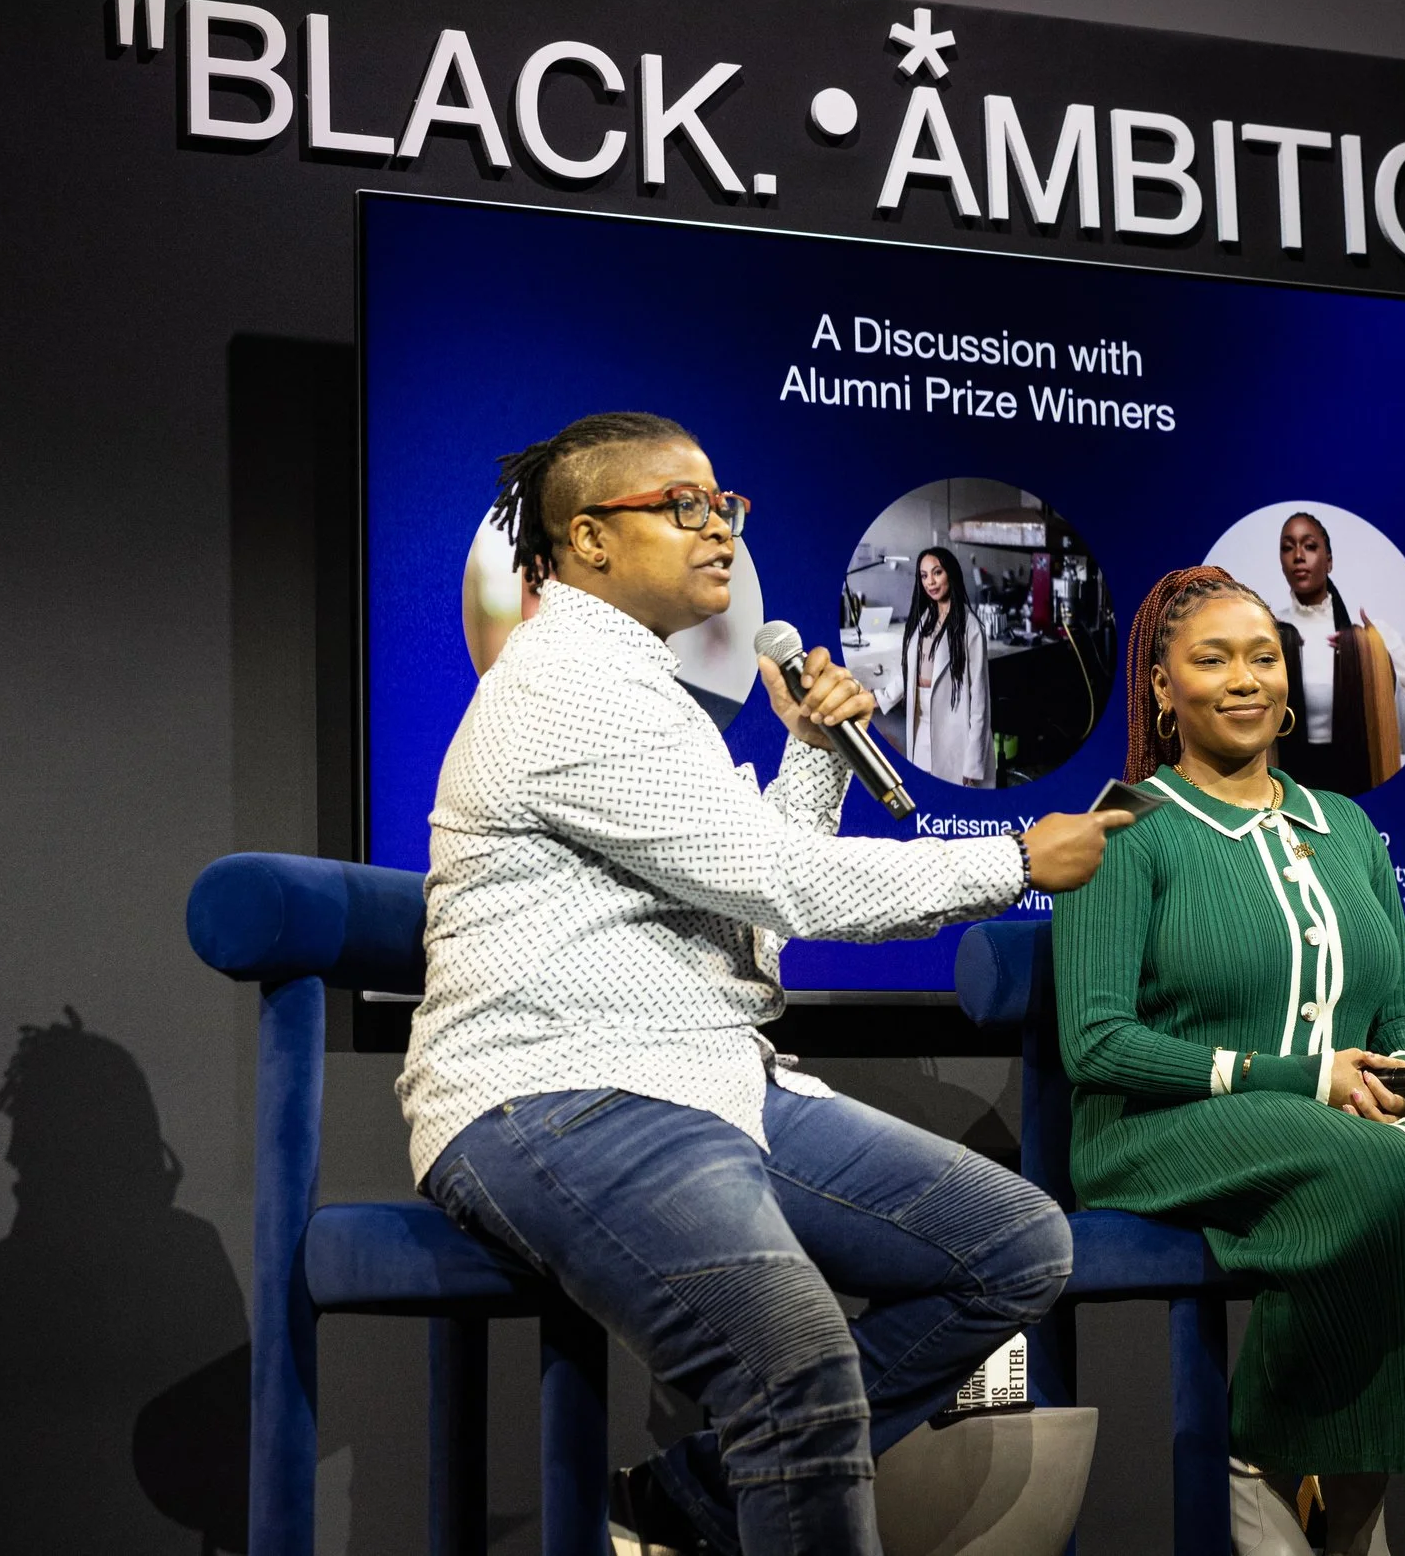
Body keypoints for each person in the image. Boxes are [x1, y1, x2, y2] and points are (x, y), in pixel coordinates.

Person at [396, 411, 1132, 1556]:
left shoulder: (649, 690)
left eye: (723, 503)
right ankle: (730, 1496)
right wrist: (1013, 862)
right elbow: (783, 884)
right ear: (587, 539)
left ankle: (683, 1506)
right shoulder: (566, 690)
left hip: (709, 1078)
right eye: (680, 505)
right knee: (795, 1357)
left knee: (1013, 1247)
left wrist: (812, 752)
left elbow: (750, 917)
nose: (719, 529)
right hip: (556, 1092)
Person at [1053, 566, 1405, 1555]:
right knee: (1375, 1175)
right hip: (1157, 1131)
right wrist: (1301, 1077)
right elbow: (1097, 1044)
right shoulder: (1125, 827)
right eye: (1211, 660)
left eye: (1264, 657)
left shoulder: (1348, 827)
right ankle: (1272, 1454)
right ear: (1161, 689)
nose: (1245, 679)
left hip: (1335, 1120)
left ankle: (1345, 1460)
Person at [1271, 511, 1405, 795]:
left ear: (1328, 560)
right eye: (1287, 547)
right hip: (1286, 792)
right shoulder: (1267, 633)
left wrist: (1376, 659)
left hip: (1356, 792)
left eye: (1309, 545)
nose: (1298, 556)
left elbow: (1402, 742)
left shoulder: (1371, 635)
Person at [898, 545, 995, 786]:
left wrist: (973, 763)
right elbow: (910, 671)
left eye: (937, 572)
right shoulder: (924, 621)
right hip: (921, 725)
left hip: (953, 731)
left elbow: (980, 701)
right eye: (924, 575)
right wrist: (882, 696)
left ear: (950, 574)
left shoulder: (970, 628)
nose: (930, 582)